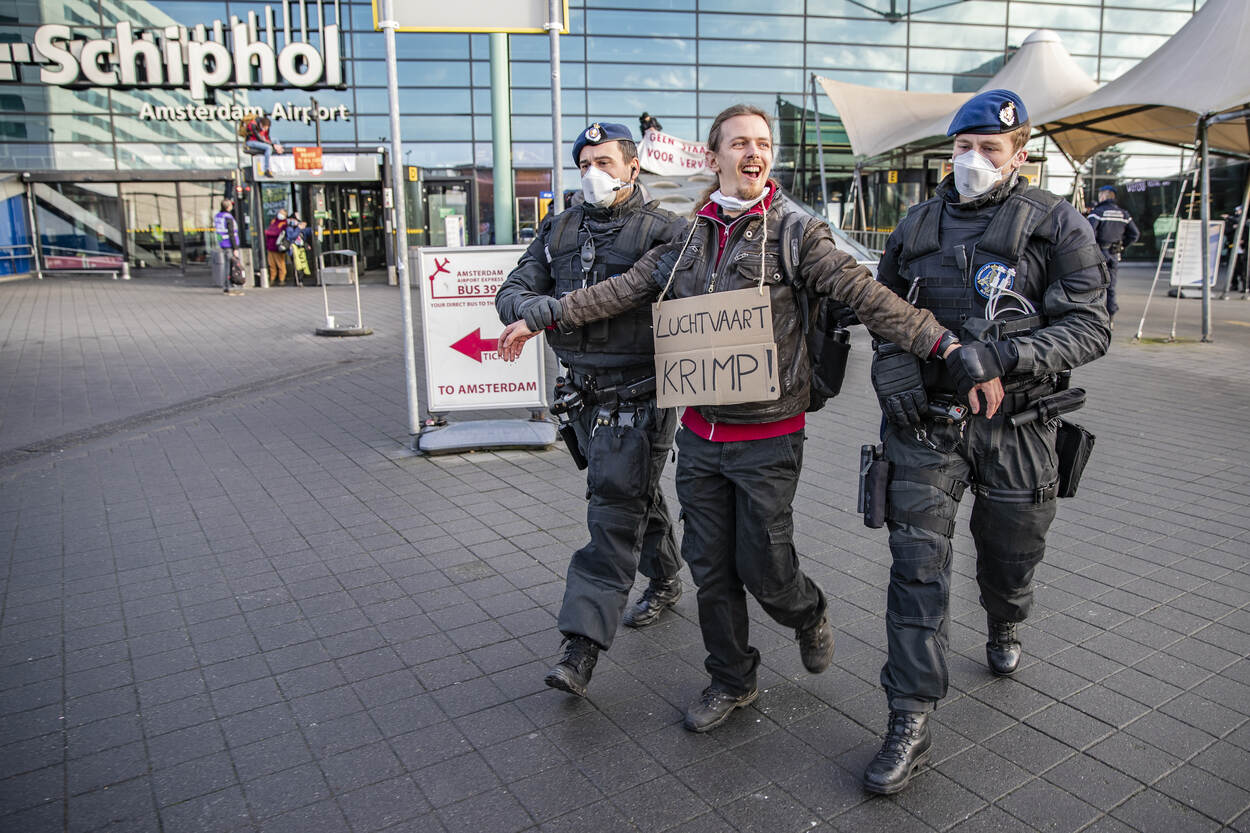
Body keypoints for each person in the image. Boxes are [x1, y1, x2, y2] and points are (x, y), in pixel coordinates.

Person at [500, 104, 960, 733]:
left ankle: (807, 613)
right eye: (740, 142)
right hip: (700, 434)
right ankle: (731, 678)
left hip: (769, 437)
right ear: (714, 156)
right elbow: (618, 292)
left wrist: (943, 345)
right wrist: (543, 316)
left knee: (766, 569)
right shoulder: (686, 237)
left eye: (763, 143)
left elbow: (867, 294)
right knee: (711, 568)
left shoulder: (796, 233)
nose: (754, 152)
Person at [862, 89, 1111, 794]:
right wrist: (893, 364)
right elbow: (883, 311)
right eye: (962, 147)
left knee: (1010, 554)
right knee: (916, 567)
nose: (971, 159)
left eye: (988, 148)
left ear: (1019, 153)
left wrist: (1004, 356)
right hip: (927, 424)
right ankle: (909, 715)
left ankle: (1006, 617)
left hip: (1019, 426)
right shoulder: (915, 224)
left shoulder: (1056, 224)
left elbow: (1090, 327)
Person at [494, 122, 690, 698]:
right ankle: (667, 576)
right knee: (632, 494)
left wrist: (544, 313)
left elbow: (646, 295)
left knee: (611, 512)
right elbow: (512, 291)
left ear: (633, 166)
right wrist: (530, 307)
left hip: (640, 397)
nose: (592, 174)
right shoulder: (558, 227)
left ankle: (580, 646)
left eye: (604, 162)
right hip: (581, 397)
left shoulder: (667, 231)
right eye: (584, 164)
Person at [1086, 184, 1139, 324]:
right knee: (1111, 286)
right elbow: (1135, 234)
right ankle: (1110, 318)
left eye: (1100, 195)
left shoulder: (1098, 212)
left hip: (1098, 254)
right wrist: (1122, 246)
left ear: (1105, 195)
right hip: (1114, 254)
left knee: (1095, 285)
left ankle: (1096, 317)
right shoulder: (1124, 214)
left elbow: (1088, 233)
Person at [211, 198, 241, 294]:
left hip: (222, 243)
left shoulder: (218, 216)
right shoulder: (228, 217)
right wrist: (235, 248)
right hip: (229, 243)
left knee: (226, 265)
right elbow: (231, 233)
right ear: (228, 207)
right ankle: (229, 285)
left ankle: (226, 285)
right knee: (230, 265)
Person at [264, 210, 289, 286]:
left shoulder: (284, 223)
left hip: (278, 247)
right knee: (271, 265)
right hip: (270, 246)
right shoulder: (274, 221)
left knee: (280, 264)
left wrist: (267, 232)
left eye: (282, 213)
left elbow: (277, 232)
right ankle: (272, 279)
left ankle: (282, 279)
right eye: (279, 212)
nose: (280, 214)